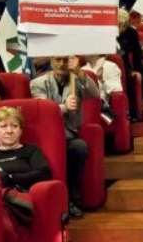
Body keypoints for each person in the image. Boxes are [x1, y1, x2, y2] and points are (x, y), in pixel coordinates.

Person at [30, 56, 99, 218]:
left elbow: (95, 94)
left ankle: (73, 198)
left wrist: (79, 73)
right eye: (57, 60)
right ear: (51, 61)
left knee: (79, 148)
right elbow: (42, 110)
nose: (61, 64)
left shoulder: (78, 78)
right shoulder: (37, 83)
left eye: (64, 60)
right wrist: (63, 107)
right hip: (46, 137)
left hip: (69, 135)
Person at [116, 8, 143, 120]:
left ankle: (133, 113)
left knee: (130, 79)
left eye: (123, 24)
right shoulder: (107, 30)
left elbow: (136, 54)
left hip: (124, 65)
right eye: (118, 24)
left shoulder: (131, 32)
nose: (120, 27)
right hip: (108, 64)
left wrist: (137, 70)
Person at [81, 54, 124, 125]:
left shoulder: (110, 66)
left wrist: (101, 80)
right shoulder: (82, 69)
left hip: (100, 106)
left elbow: (117, 89)